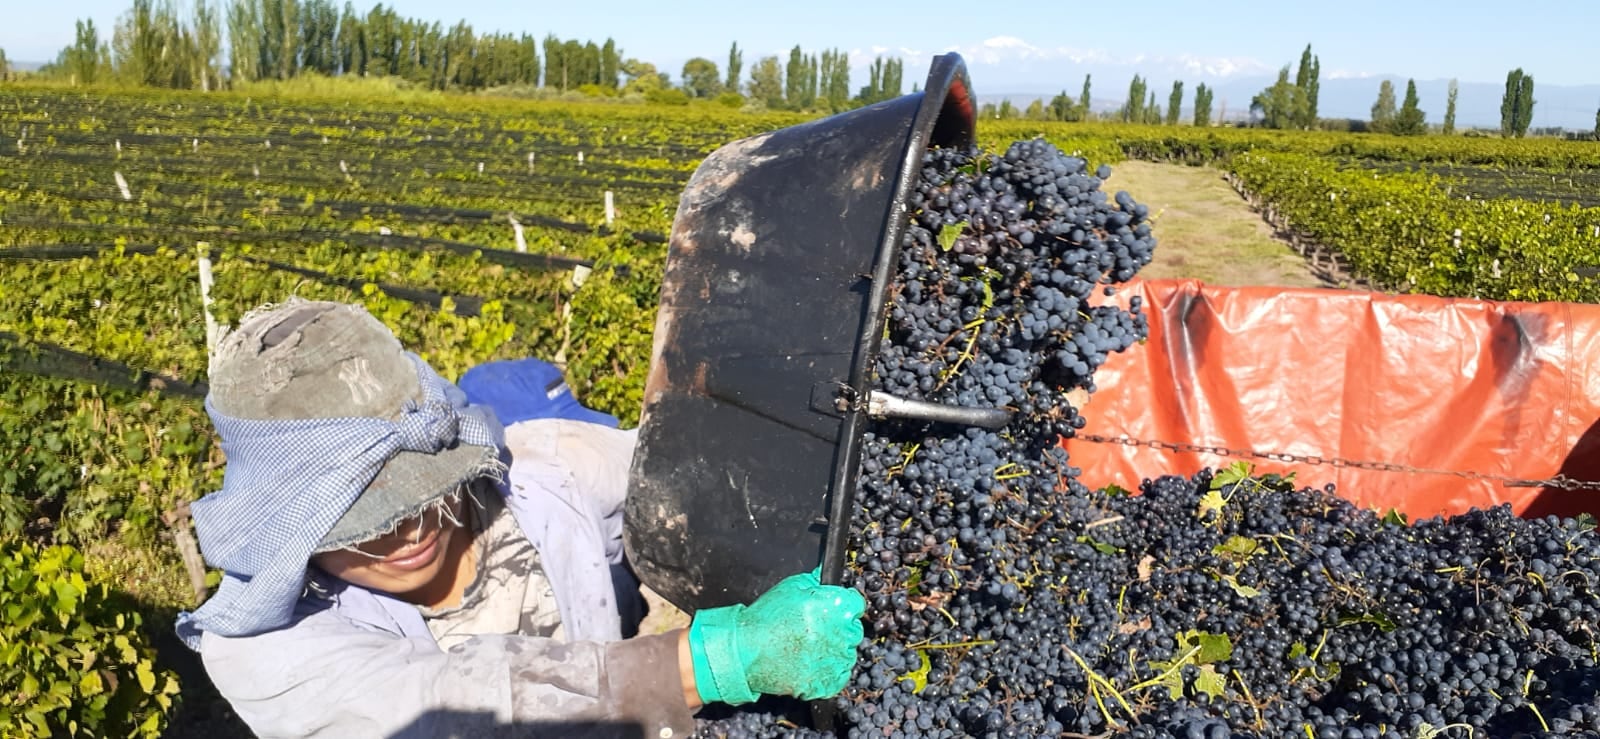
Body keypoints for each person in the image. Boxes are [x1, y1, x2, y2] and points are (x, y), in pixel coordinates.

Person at [174, 299, 866, 738]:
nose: (410, 531)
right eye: (361, 521)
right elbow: (448, 709)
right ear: (289, 528)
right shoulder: (264, 649)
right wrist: (716, 659)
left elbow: (689, 477)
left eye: (424, 494)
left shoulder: (540, 470)